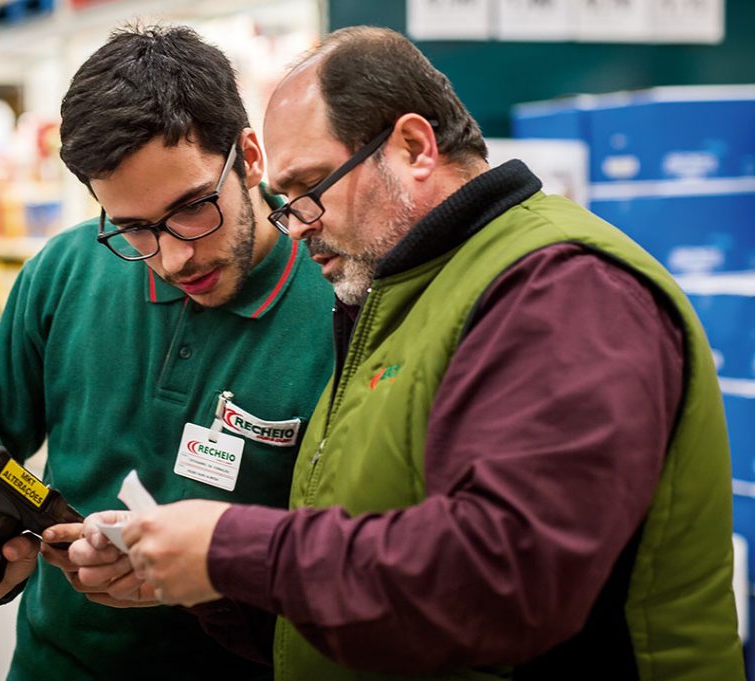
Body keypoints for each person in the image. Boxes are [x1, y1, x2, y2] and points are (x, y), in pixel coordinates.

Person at [116, 25, 745, 680]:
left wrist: (232, 549)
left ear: (414, 146)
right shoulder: (399, 296)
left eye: (309, 187)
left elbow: (505, 583)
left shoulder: (566, 289)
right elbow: (372, 580)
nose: (298, 223)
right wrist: (209, 586)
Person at [0, 25, 334, 681]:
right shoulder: (67, 269)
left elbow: (356, 559)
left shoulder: (338, 301)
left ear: (249, 156)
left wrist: (209, 574)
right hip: (57, 662)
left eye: (193, 208)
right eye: (132, 227)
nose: (173, 257)